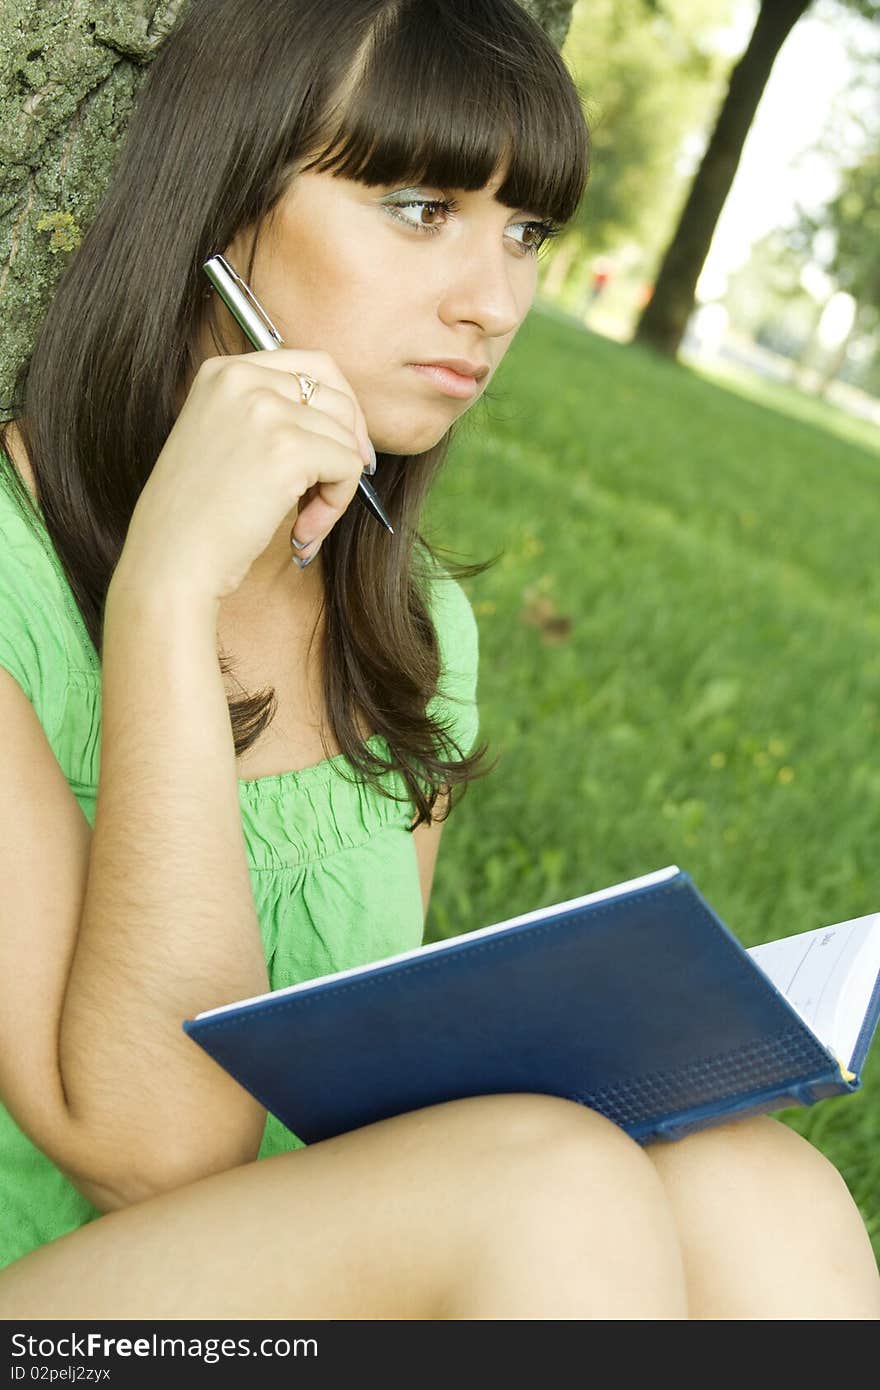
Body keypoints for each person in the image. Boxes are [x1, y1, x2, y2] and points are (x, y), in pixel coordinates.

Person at [0, 0, 877, 1322]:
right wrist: (164, 601)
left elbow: (350, 1122)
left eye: (526, 232)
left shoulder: (405, 630)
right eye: (420, 208)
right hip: (62, 1311)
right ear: (220, 205)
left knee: (762, 1186)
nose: (498, 302)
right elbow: (154, 1149)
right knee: (551, 1189)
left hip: (303, 1271)